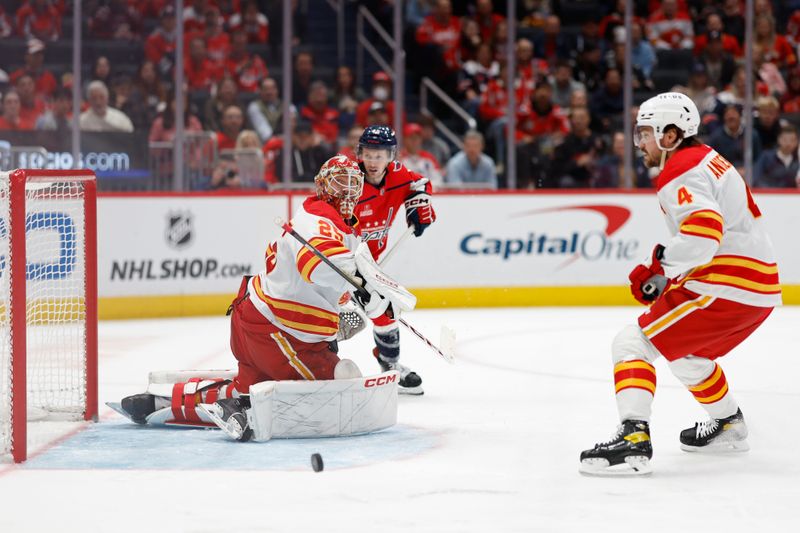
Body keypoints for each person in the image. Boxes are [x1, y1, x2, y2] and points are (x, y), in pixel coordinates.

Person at [119, 156, 397, 441]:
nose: (348, 191)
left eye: (355, 184)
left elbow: (326, 285)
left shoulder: (337, 226)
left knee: (250, 386)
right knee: (343, 377)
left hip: (258, 323)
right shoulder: (319, 218)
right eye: (341, 182)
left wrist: (348, 308)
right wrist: (361, 282)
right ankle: (242, 408)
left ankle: (165, 402)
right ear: (322, 185)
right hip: (278, 333)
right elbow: (317, 268)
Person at [580, 92, 781, 476]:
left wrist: (659, 267)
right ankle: (728, 423)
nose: (640, 143)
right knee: (689, 356)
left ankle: (633, 438)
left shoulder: (681, 169)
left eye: (645, 134)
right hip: (757, 286)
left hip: (727, 283)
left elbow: (704, 236)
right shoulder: (706, 159)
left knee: (632, 343)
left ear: (670, 135)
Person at [353, 125, 436, 394]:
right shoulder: (349, 183)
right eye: (369, 154)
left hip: (371, 267)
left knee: (387, 312)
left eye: (380, 154)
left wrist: (417, 205)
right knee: (336, 318)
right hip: (338, 264)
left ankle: (390, 368)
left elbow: (420, 185)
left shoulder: (399, 175)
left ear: (391, 155)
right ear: (360, 154)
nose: (374, 161)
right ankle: (311, 365)